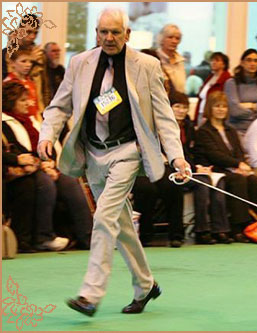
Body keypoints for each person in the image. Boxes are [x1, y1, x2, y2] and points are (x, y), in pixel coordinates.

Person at [37, 8, 190, 316]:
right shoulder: (79, 63)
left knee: (104, 217)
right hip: (92, 154)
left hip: (127, 152)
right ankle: (146, 286)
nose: (108, 37)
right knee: (120, 225)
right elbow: (58, 106)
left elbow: (163, 116)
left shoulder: (146, 65)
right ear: (96, 33)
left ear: (127, 35)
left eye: (115, 32)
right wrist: (46, 136)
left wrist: (177, 156)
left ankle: (90, 294)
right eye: (103, 32)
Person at [3, 81, 76, 252]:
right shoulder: (5, 122)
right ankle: (40, 237)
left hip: (33, 168)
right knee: (40, 184)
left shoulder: (29, 122)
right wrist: (23, 161)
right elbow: (20, 153)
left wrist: (47, 162)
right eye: (22, 100)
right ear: (11, 101)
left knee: (68, 181)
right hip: (11, 173)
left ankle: (88, 236)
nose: (28, 103)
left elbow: (38, 149)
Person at [194, 92, 257, 242]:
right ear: (209, 108)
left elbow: (238, 151)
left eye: (224, 106)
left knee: (253, 180)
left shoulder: (231, 130)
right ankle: (238, 227)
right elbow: (214, 154)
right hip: (214, 170)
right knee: (238, 180)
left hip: (232, 169)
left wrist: (241, 165)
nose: (221, 109)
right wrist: (237, 164)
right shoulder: (203, 131)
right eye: (217, 106)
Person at [170, 91, 232, 244]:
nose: (181, 110)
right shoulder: (163, 127)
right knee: (202, 184)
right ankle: (201, 231)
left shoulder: (189, 127)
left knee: (213, 180)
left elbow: (192, 152)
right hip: (170, 169)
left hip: (188, 169)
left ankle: (220, 230)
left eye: (184, 107)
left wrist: (199, 167)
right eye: (177, 106)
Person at [2, 13, 50, 109]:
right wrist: (30, 60)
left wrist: (46, 109)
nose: (32, 36)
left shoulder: (40, 54)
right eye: (28, 32)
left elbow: (45, 86)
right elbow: (9, 83)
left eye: (35, 33)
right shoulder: (8, 53)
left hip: (37, 108)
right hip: (14, 108)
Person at [224, 49, 257, 135]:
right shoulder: (232, 83)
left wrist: (252, 105)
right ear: (242, 63)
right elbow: (234, 110)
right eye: (249, 60)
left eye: (256, 61)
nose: (253, 64)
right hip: (237, 131)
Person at [194, 52, 231, 126]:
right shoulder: (210, 77)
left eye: (217, 60)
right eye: (212, 60)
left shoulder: (227, 79)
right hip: (202, 113)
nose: (213, 62)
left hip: (213, 117)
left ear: (224, 64)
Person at [4, 48, 41, 120]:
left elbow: (36, 108)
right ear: (12, 63)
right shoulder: (9, 83)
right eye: (23, 61)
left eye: (30, 62)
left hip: (34, 121)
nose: (28, 65)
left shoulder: (30, 82)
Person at [156, 24, 186, 93]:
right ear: (162, 38)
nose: (174, 41)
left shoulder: (180, 61)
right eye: (170, 37)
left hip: (178, 100)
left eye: (177, 38)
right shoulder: (154, 59)